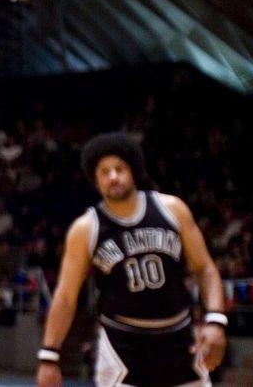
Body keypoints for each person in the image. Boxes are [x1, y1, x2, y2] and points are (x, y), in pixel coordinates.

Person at [37, 133, 227, 387]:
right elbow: (66, 296)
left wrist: (216, 320)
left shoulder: (172, 209)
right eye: (104, 172)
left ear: (134, 172)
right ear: (95, 180)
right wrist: (49, 357)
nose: (112, 176)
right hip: (123, 345)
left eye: (119, 169)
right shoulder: (85, 229)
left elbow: (205, 268)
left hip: (180, 339)